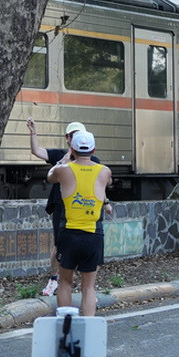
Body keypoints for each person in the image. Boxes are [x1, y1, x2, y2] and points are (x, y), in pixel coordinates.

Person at [47, 130, 113, 316]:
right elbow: (107, 183)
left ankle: (66, 327)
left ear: (72, 149)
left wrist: (67, 158)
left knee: (65, 283)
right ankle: (88, 327)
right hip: (93, 234)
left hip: (68, 233)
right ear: (94, 150)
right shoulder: (104, 171)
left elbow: (50, 176)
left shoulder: (63, 170)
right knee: (89, 287)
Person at [27, 117, 92, 297]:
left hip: (81, 207)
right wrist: (33, 132)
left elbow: (99, 183)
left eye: (79, 134)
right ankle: (54, 280)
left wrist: (106, 203)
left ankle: (85, 285)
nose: (75, 138)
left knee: (83, 242)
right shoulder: (60, 156)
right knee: (58, 244)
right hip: (61, 206)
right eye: (72, 135)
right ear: (68, 138)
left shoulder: (91, 158)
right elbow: (37, 151)